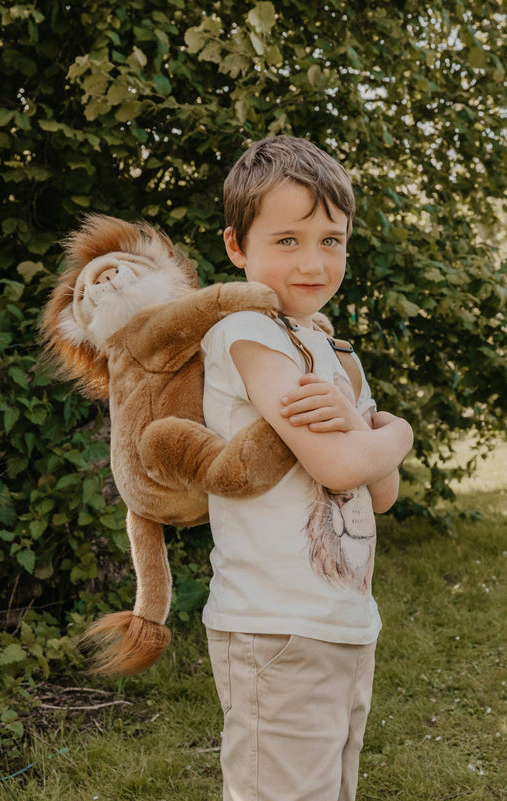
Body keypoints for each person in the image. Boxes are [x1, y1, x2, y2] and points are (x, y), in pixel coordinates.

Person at [200, 135, 414, 801]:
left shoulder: (332, 350)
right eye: (286, 240)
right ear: (237, 246)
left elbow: (382, 492)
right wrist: (397, 431)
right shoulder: (247, 331)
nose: (313, 261)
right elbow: (339, 463)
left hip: (341, 621)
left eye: (331, 239)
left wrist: (362, 432)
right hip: (275, 627)